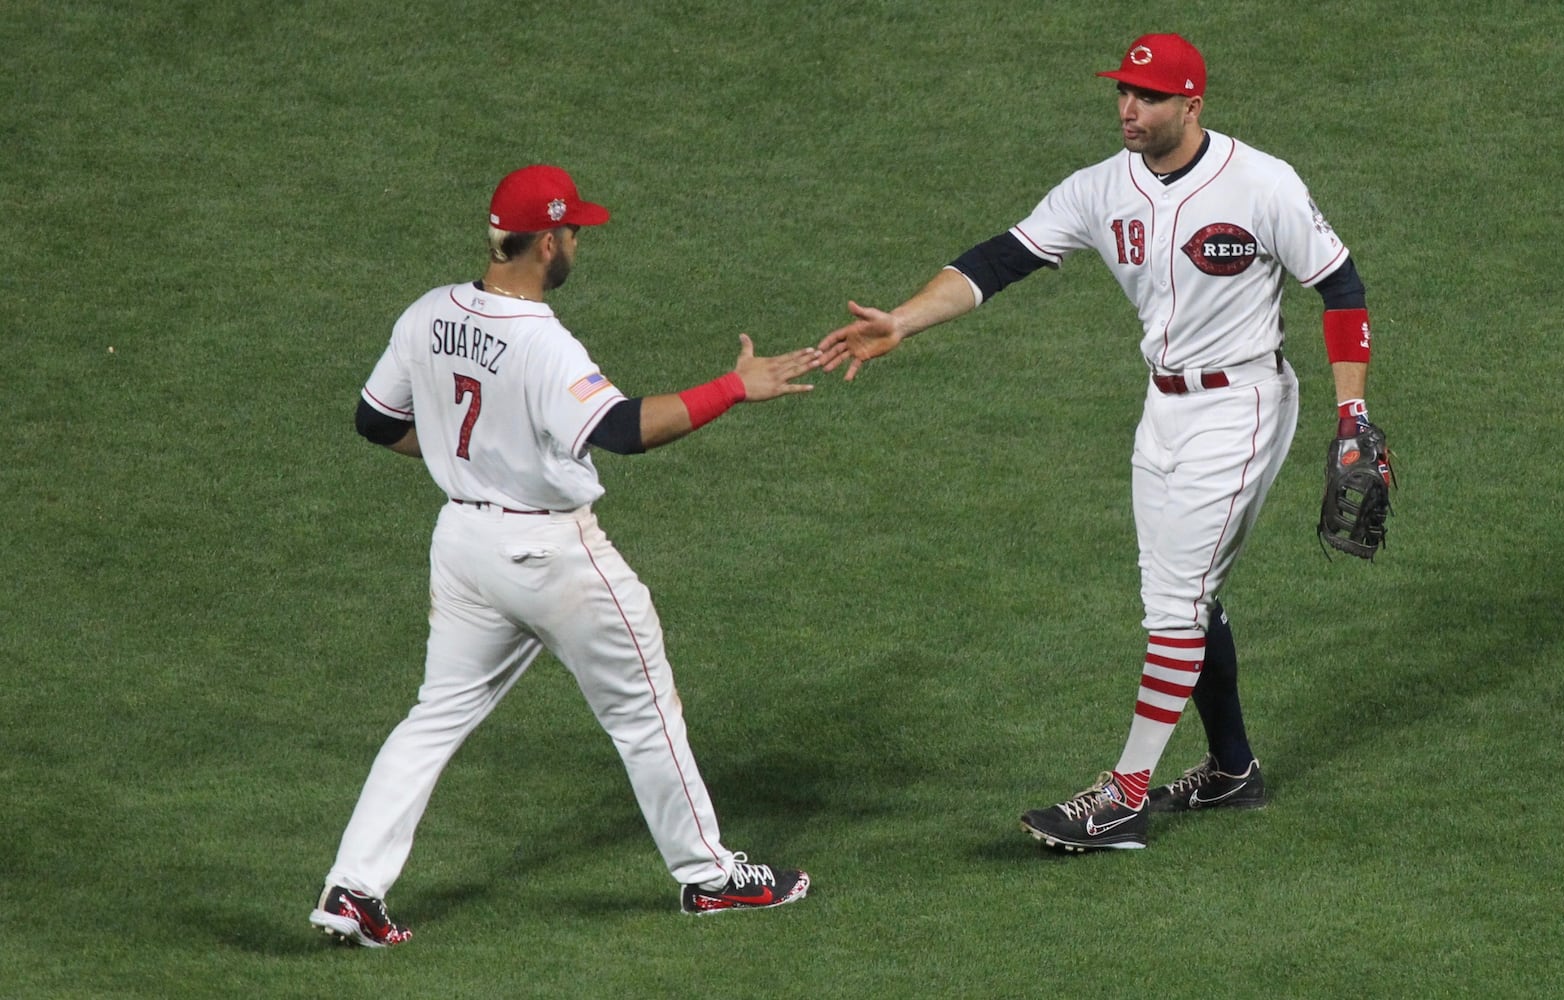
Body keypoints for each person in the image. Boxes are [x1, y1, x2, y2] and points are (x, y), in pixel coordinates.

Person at [817, 34, 1388, 851]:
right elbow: (998, 259)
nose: (1129, 107)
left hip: (1244, 406)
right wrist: (902, 321)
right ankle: (1232, 770)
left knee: (1176, 605)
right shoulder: (1099, 189)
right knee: (1183, 599)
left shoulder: (1263, 184)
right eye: (1123, 91)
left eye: (1149, 96)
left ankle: (1123, 795)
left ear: (1193, 104)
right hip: (1162, 411)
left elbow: (1341, 284)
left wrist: (1351, 415)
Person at [310, 164, 818, 947]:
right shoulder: (542, 343)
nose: (579, 242)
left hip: (464, 545)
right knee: (645, 713)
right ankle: (711, 878)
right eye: (574, 231)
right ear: (547, 241)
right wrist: (735, 388)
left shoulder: (427, 313)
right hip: (549, 554)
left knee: (434, 717)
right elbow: (624, 430)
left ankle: (352, 889)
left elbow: (374, 422)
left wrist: (463, 460)